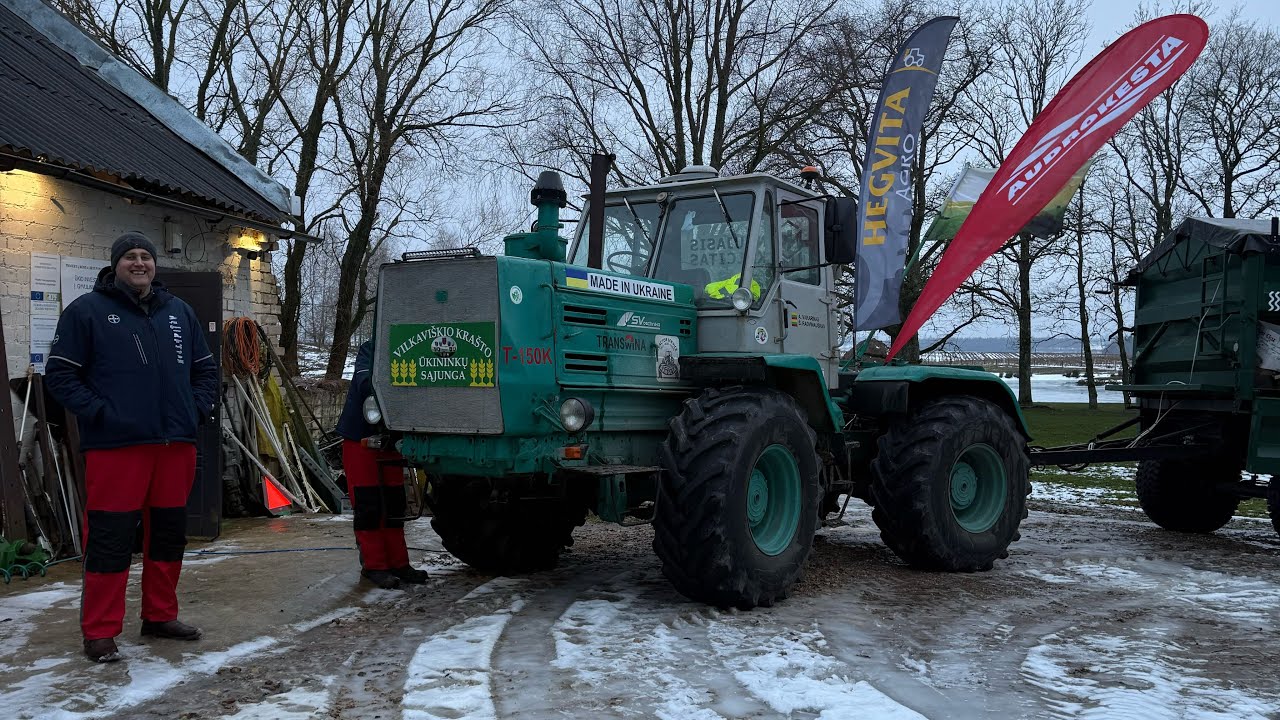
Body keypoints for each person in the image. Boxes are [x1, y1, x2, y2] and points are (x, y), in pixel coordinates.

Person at [45, 231, 219, 663]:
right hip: (116, 448)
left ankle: (160, 616)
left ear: (155, 265)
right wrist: (103, 413)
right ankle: (100, 632)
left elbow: (206, 371)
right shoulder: (86, 312)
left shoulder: (179, 312)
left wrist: (194, 410)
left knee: (168, 536)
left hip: (174, 446)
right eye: (130, 257)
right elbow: (61, 377)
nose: (139, 263)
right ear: (115, 264)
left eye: (146, 256)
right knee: (110, 539)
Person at [336, 339, 428, 590]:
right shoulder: (371, 349)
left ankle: (399, 563)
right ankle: (374, 566)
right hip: (362, 437)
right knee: (369, 504)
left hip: (391, 438)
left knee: (394, 504)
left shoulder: (417, 347)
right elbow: (365, 382)